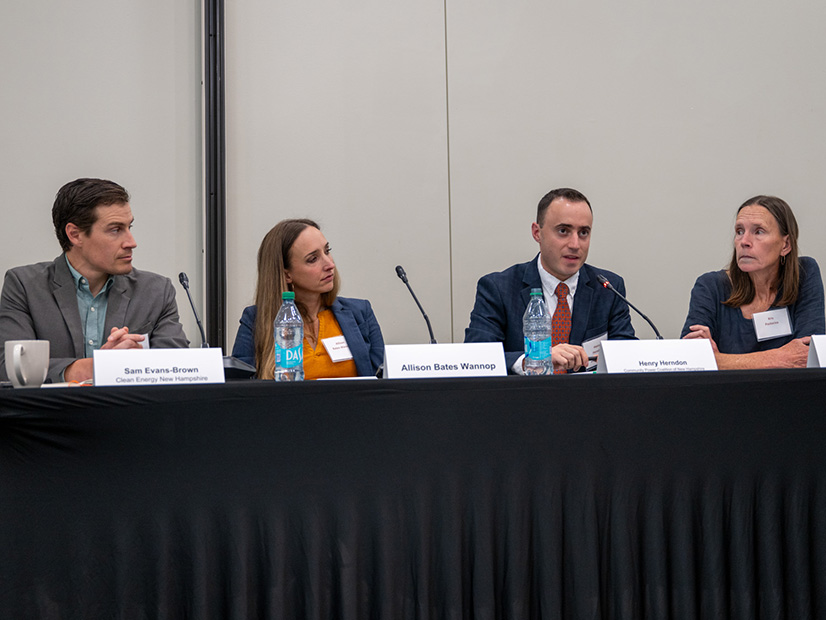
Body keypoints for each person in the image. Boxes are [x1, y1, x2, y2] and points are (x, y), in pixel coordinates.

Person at [0, 178, 189, 384]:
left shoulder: (156, 291)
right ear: (75, 235)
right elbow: (8, 366)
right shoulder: (25, 286)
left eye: (129, 227)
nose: (131, 242)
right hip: (55, 406)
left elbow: (179, 368)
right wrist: (95, 367)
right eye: (115, 230)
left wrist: (137, 362)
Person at [465, 187, 636, 373]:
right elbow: (477, 358)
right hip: (525, 391)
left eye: (583, 233)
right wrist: (533, 360)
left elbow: (627, 357)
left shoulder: (608, 288)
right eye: (563, 231)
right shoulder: (499, 288)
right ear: (537, 233)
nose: (575, 244)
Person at [681, 195, 824, 369]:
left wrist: (719, 361)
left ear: (785, 245)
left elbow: (809, 356)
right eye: (740, 231)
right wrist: (779, 358)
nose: (744, 242)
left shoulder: (804, 274)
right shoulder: (710, 286)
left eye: (759, 232)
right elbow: (689, 360)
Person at [232, 219, 384, 379]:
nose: (330, 264)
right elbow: (239, 386)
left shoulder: (360, 313)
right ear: (286, 275)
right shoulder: (255, 320)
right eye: (313, 259)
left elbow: (383, 382)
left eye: (327, 251)